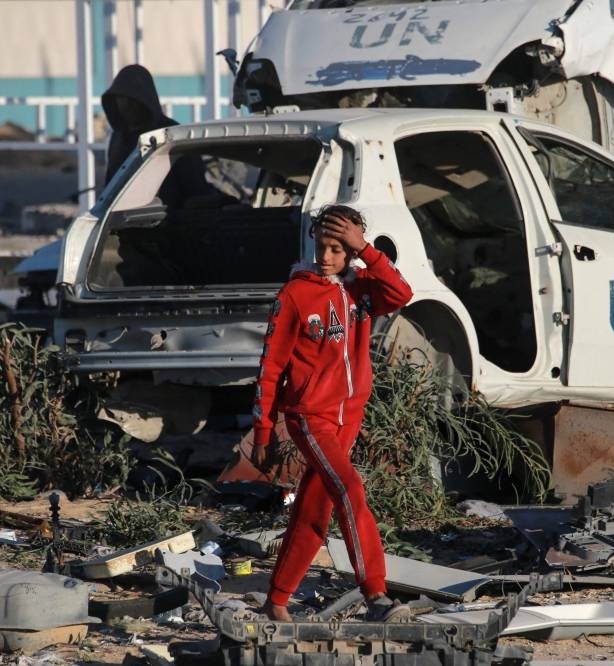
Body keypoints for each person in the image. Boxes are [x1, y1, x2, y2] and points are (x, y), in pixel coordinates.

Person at [251, 204, 414, 622]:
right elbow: (270, 369)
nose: (327, 257)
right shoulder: (295, 295)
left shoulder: (361, 288)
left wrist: (367, 251)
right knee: (349, 489)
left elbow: (401, 293)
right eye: (322, 246)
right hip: (310, 416)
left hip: (350, 416)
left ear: (352, 252)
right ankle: (376, 595)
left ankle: (277, 601)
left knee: (314, 509)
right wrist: (263, 433)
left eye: (339, 249)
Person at [101, 64, 211, 205]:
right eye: (122, 99)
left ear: (145, 100)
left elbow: (196, 189)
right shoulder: (119, 138)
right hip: (122, 221)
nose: (128, 106)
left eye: (133, 100)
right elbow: (111, 185)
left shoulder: (173, 135)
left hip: (168, 219)